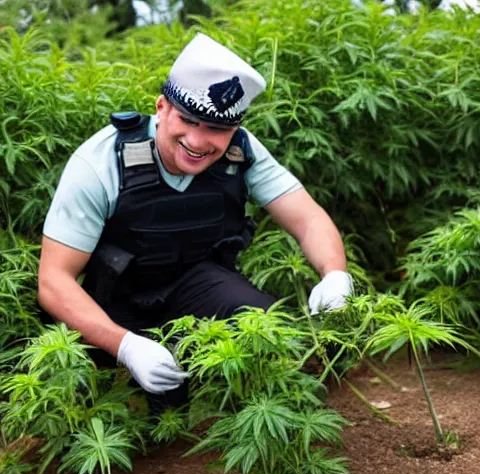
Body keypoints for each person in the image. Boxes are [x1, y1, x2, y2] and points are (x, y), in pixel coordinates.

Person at [38, 33, 353, 403]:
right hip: (113, 303)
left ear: (234, 128)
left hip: (197, 288)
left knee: (269, 332)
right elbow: (54, 280)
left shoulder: (241, 151)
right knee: (145, 405)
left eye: (217, 128)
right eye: (188, 120)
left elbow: (308, 219)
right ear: (161, 108)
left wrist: (334, 274)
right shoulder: (101, 162)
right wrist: (125, 346)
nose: (199, 140)